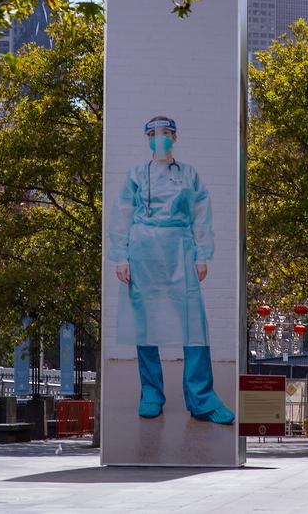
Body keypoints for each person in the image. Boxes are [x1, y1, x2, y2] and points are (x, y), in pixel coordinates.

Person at [109, 115, 234, 425]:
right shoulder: (137, 174)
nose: (159, 138)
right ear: (147, 138)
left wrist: (202, 255)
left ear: (175, 137)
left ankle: (201, 398)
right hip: (143, 250)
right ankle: (151, 394)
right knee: (145, 324)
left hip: (180, 248)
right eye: (153, 133)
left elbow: (200, 215)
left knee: (193, 324)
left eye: (165, 133)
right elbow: (122, 215)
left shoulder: (189, 175)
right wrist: (121, 257)